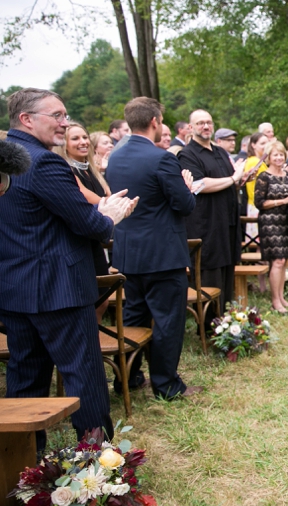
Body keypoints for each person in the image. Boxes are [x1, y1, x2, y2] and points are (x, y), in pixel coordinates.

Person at [0, 88, 136, 452]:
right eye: (57, 116)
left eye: (65, 115)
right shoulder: (42, 162)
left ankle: (21, 463)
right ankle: (98, 464)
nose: (64, 122)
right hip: (57, 289)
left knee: (25, 377)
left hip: (14, 288)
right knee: (83, 375)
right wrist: (109, 217)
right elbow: (85, 222)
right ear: (27, 119)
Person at [106, 97, 200, 400]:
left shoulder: (116, 156)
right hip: (162, 254)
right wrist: (187, 187)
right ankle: (166, 384)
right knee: (168, 320)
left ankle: (129, 378)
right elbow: (184, 205)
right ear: (155, 121)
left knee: (134, 315)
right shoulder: (162, 158)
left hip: (128, 252)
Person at [178, 109, 246, 316]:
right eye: (199, 123)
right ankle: (210, 326)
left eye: (208, 122)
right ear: (190, 128)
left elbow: (228, 181)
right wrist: (234, 179)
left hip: (227, 222)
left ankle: (226, 321)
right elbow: (199, 185)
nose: (205, 126)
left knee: (227, 272)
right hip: (206, 225)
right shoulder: (187, 154)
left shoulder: (219, 152)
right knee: (211, 274)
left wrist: (241, 179)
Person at [53, 122, 113, 321]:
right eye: (76, 138)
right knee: (91, 302)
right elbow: (96, 200)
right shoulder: (66, 171)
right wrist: (116, 204)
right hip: (80, 241)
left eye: (85, 137)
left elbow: (108, 196)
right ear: (64, 144)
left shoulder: (92, 171)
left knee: (103, 298)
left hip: (96, 241)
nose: (83, 142)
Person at [254, 140, 288, 314]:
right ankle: (274, 300)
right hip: (270, 223)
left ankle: (281, 297)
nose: (279, 158)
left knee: (284, 262)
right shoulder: (264, 177)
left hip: (286, 222)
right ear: (268, 157)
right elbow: (259, 203)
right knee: (277, 261)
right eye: (275, 155)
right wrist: (284, 200)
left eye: (281, 154)